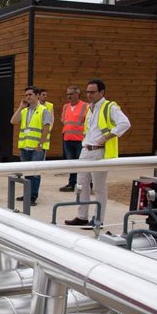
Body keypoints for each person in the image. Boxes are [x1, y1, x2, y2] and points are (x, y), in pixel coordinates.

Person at [65, 79, 131, 226]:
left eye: (92, 92)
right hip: (86, 150)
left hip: (99, 152)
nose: (89, 94)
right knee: (81, 184)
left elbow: (125, 123)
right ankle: (82, 216)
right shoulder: (90, 108)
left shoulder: (109, 106)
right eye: (87, 92)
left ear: (102, 92)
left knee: (99, 187)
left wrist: (106, 137)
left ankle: (98, 219)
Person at [10, 86, 51, 206]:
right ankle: (27, 194)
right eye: (26, 95)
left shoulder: (44, 110)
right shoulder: (24, 111)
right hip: (25, 147)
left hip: (36, 147)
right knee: (27, 172)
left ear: (37, 96)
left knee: (35, 173)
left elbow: (46, 128)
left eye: (30, 95)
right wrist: (20, 107)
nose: (27, 97)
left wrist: (41, 144)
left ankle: (32, 196)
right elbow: (13, 121)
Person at [59, 86, 88, 192]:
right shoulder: (66, 107)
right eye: (67, 94)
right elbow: (63, 119)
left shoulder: (85, 106)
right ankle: (72, 183)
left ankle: (84, 183)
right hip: (67, 138)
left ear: (77, 94)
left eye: (71, 94)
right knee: (71, 163)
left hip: (80, 139)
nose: (69, 96)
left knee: (81, 163)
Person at [37, 88, 54, 157]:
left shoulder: (50, 105)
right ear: (39, 96)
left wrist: (48, 129)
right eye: (43, 95)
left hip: (45, 130)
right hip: (36, 131)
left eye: (46, 95)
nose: (45, 96)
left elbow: (52, 119)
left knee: (43, 151)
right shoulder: (35, 105)